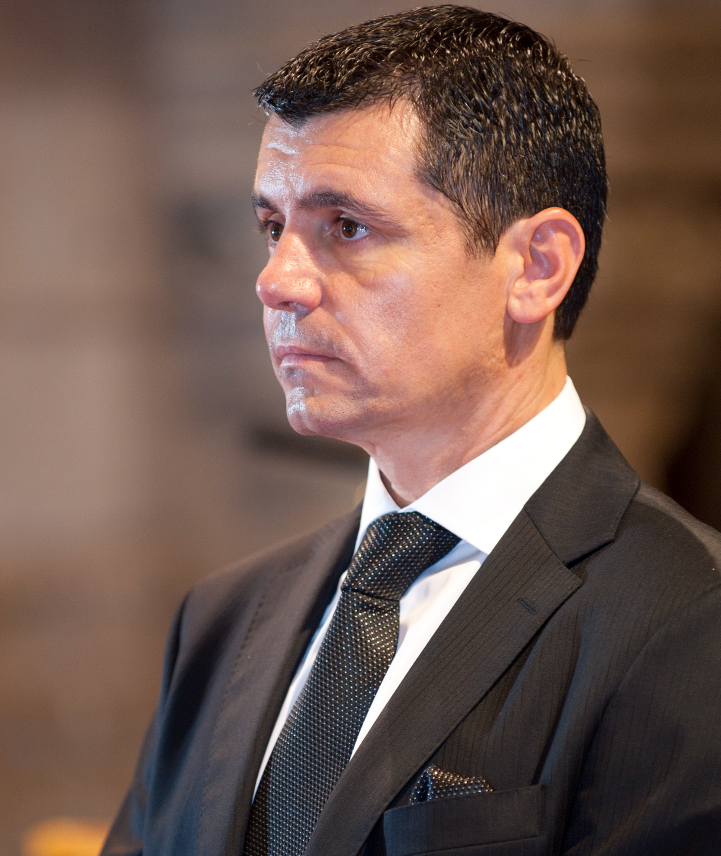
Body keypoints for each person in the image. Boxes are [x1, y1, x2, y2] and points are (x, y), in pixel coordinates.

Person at [102, 6, 721, 856]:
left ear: (536, 266)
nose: (276, 281)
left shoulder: (689, 617)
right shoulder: (224, 620)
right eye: (274, 227)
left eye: (346, 227)